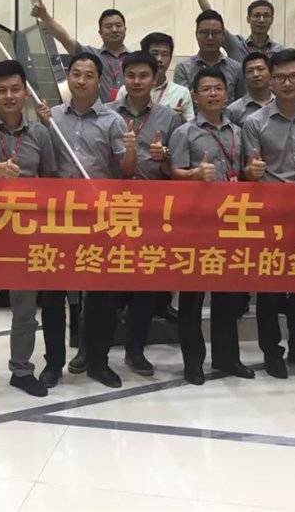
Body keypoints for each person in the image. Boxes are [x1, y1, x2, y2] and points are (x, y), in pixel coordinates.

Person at [35, 51, 133, 388]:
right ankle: (53, 364)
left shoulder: (113, 121)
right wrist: (41, 126)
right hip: (58, 218)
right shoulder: (51, 117)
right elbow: (42, 162)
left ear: (99, 81)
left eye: (88, 75)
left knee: (101, 295)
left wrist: (130, 149)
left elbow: (126, 170)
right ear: (68, 78)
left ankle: (97, 361)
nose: (80, 80)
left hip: (98, 218)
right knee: (53, 296)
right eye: (75, 74)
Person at [0, 60, 55, 402]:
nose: (9, 96)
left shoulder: (41, 134)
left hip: (26, 234)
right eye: (1, 90)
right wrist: (1, 169)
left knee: (25, 309)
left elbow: (49, 180)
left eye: (16, 89)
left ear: (25, 93)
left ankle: (21, 370)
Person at [241, 48, 295, 379]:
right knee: (269, 288)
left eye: (293, 76)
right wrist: (251, 171)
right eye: (280, 77)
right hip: (271, 215)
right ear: (271, 81)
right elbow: (248, 172)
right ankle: (271, 351)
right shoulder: (254, 122)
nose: (287, 83)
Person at [168, 68, 256, 386]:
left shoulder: (238, 132)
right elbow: (174, 173)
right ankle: (193, 362)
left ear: (227, 94)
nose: (213, 94)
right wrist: (194, 175)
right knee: (192, 298)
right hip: (196, 225)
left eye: (218, 88)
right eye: (205, 89)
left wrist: (253, 171)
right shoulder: (184, 133)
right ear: (194, 96)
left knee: (228, 296)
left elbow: (243, 172)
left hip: (230, 223)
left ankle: (227, 357)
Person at [106, 52, 182, 376]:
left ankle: (135, 350)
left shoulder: (170, 119)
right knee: (104, 279)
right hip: (112, 207)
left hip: (152, 210)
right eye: (131, 75)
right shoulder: (107, 113)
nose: (137, 82)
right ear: (123, 78)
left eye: (144, 76)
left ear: (155, 79)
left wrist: (164, 157)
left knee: (146, 283)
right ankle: (92, 349)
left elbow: (177, 167)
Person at [31, 0, 130, 103]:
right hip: (97, 112)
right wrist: (44, 16)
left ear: (125, 30)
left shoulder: (135, 59)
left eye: (118, 26)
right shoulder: (89, 55)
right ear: (100, 33)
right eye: (108, 27)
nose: (114, 30)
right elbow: (65, 38)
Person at [185, 0, 284, 57]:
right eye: (257, 15)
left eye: (266, 16)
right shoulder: (235, 45)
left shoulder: (279, 51)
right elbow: (212, 17)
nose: (261, 20)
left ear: (272, 20)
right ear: (248, 19)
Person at [114, 32, 194, 121]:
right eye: (154, 54)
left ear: (170, 58)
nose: (159, 59)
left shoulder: (181, 93)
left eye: (164, 54)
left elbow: (191, 126)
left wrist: (179, 119)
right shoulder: (126, 90)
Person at [173, 9, 244, 102]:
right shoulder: (183, 68)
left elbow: (241, 103)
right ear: (196, 35)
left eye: (215, 33)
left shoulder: (237, 68)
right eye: (204, 33)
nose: (210, 37)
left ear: (223, 35)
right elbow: (182, 103)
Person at [224, 52, 275, 127]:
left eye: (260, 69)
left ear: (271, 73)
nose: (256, 74)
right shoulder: (233, 111)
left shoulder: (281, 103)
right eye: (250, 71)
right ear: (244, 77)